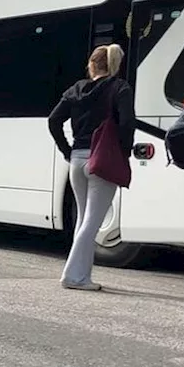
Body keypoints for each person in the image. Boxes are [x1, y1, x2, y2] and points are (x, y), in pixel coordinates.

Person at [48, 44, 136, 291]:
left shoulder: (76, 89)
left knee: (83, 220)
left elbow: (54, 120)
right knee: (92, 222)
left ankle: (82, 275)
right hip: (103, 159)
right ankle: (73, 276)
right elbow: (127, 122)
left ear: (91, 65)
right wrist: (123, 152)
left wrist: (67, 150)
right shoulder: (120, 88)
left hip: (77, 158)